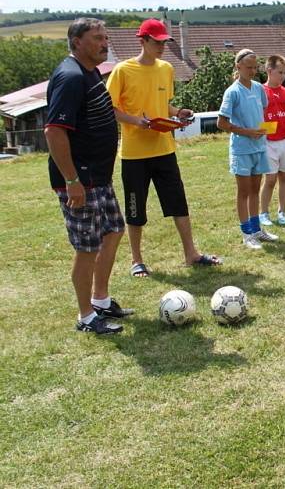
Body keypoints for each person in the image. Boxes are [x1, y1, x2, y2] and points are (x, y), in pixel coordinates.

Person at [107, 19, 220, 276]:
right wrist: (137, 121)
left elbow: (163, 105)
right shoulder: (123, 70)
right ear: (142, 41)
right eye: (156, 42)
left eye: (164, 42)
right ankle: (136, 260)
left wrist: (178, 112)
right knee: (136, 209)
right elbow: (110, 108)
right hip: (134, 154)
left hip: (165, 150)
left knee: (178, 203)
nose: (161, 47)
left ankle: (191, 254)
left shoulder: (166, 69)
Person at [44, 18, 132, 334]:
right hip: (80, 180)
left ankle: (101, 300)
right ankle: (85, 316)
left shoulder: (90, 72)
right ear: (77, 41)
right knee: (87, 247)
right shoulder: (70, 77)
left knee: (113, 231)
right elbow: (54, 132)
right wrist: (71, 181)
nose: (104, 43)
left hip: (98, 177)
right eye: (97, 38)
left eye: (106, 37)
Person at [217, 49, 278, 250]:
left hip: (259, 147)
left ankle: (256, 229)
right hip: (242, 149)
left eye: (255, 67)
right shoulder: (232, 92)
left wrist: (260, 130)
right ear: (238, 67)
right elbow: (222, 123)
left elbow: (262, 110)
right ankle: (246, 233)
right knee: (243, 191)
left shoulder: (259, 88)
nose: (253, 71)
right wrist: (247, 131)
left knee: (254, 190)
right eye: (249, 67)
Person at [259, 54, 285, 226]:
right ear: (269, 71)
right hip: (268, 142)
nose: (283, 76)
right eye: (280, 72)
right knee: (270, 179)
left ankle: (282, 211)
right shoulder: (260, 91)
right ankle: (263, 212)